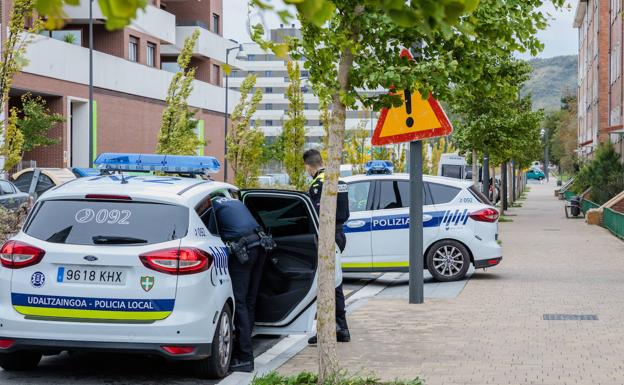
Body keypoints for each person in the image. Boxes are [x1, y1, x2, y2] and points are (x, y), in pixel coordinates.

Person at [212, 197, 268, 373]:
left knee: (240, 302)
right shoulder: (231, 200)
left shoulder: (211, 207)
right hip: (260, 245)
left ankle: (244, 357)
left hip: (243, 252)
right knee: (249, 301)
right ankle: (245, 348)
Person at [302, 149, 350, 344]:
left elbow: (315, 216)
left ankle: (330, 329)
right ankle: (341, 328)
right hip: (339, 234)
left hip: (327, 236)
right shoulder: (339, 180)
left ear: (308, 166)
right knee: (335, 283)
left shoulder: (318, 184)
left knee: (325, 285)